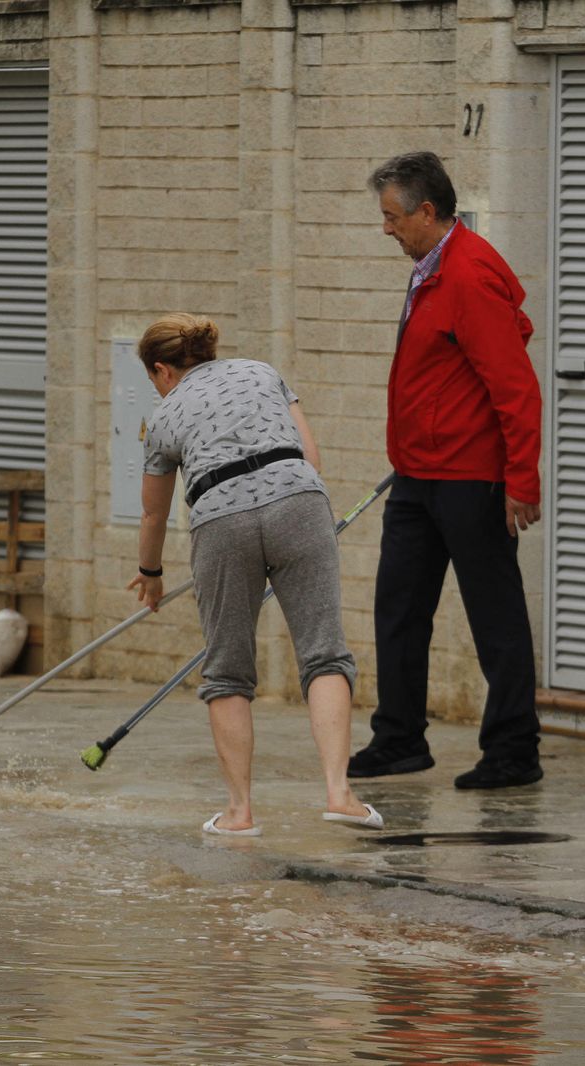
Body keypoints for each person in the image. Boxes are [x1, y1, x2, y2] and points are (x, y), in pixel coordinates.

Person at [126, 312, 380, 836]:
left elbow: (153, 513)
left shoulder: (164, 416)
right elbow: (311, 455)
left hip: (221, 518)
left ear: (161, 370)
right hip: (299, 501)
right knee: (325, 654)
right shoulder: (263, 372)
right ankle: (341, 794)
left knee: (227, 672)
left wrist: (150, 573)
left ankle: (239, 813)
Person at [348, 151, 546, 790]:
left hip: (470, 477)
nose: (387, 230)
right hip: (418, 474)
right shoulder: (429, 266)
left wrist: (521, 480)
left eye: (392, 218)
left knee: (494, 614)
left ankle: (514, 751)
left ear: (426, 212)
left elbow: (515, 386)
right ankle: (399, 738)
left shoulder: (467, 275)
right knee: (399, 606)